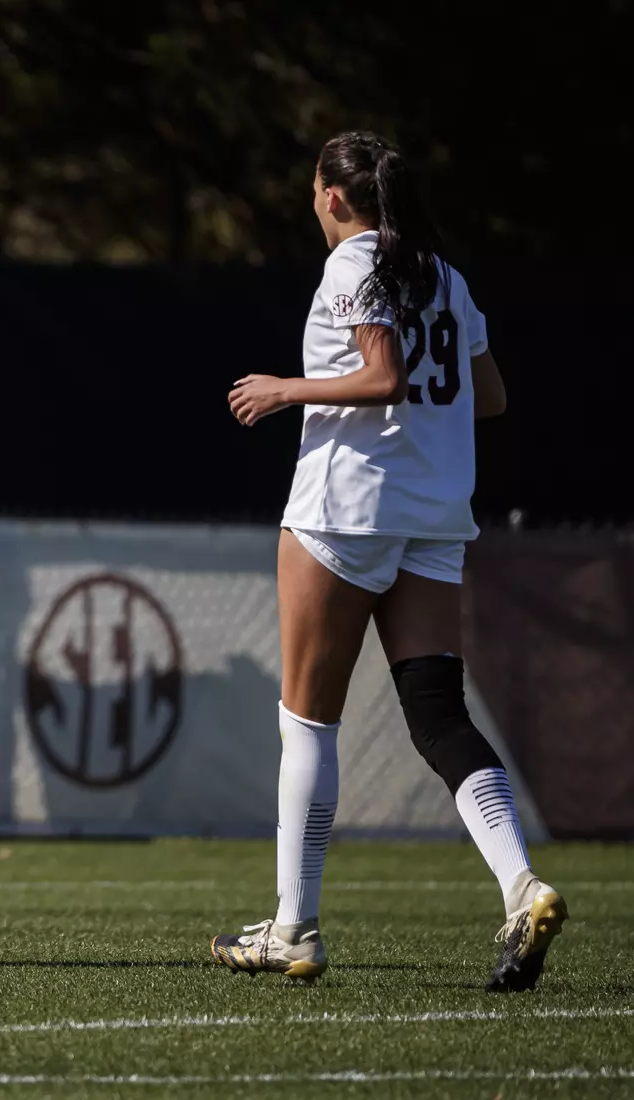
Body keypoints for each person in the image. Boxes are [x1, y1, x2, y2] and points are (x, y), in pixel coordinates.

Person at [213, 132, 566, 991]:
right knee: (437, 716)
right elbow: (489, 395)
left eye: (313, 189)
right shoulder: (442, 274)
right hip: (432, 515)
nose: (311, 200)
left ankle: (294, 929)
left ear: (334, 197)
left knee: (307, 721)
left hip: (345, 512)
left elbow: (381, 377)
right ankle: (522, 885)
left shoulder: (351, 263)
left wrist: (285, 389)